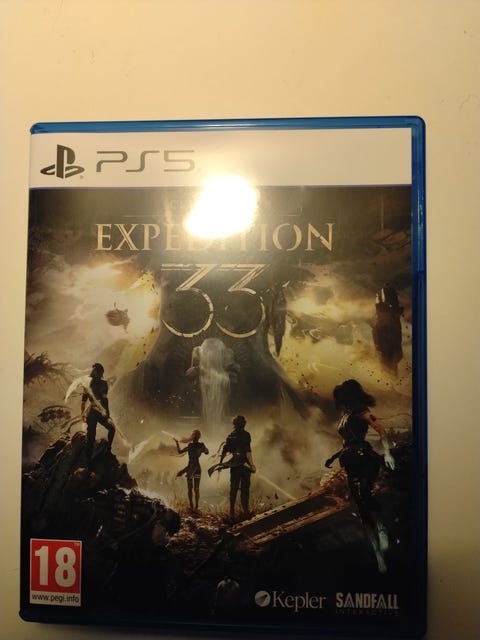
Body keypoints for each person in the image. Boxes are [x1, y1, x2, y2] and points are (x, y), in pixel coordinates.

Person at [325, 379, 395, 573]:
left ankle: (382, 529)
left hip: (364, 458)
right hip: (350, 461)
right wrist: (334, 456)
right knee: (361, 505)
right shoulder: (345, 414)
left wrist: (387, 454)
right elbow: (348, 442)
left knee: (365, 497)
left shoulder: (360, 411)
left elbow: (380, 429)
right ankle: (378, 553)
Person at [218, 415, 256, 520]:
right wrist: (252, 465)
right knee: (245, 489)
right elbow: (248, 451)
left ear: (234, 424)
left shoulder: (231, 436)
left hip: (235, 465)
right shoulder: (246, 435)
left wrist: (221, 463)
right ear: (244, 424)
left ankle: (231, 511)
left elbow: (224, 451)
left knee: (233, 488)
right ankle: (245, 511)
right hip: (245, 465)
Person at [81, 363, 116, 466]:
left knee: (112, 429)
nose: (93, 372)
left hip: (100, 411)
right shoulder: (87, 383)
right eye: (93, 370)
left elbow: (105, 399)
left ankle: (108, 450)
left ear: (99, 372)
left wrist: (107, 413)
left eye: (95, 370)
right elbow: (83, 401)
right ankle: (88, 461)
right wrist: (82, 414)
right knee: (91, 437)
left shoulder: (103, 384)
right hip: (92, 412)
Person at [174, 429, 209, 512]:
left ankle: (192, 506)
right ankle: (195, 506)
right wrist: (202, 449)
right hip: (196, 467)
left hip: (190, 468)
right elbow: (207, 452)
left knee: (191, 488)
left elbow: (180, 451)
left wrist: (177, 442)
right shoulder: (200, 445)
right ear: (199, 437)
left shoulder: (190, 445)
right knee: (196, 488)